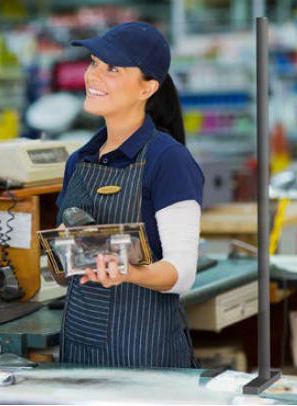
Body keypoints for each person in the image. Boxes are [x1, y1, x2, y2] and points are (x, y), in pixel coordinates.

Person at [56, 21, 204, 368]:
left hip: (144, 354)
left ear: (147, 88)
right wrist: (63, 253)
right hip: (78, 350)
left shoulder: (168, 160)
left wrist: (130, 272)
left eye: (113, 69)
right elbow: (64, 274)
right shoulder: (79, 160)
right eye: (93, 62)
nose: (93, 76)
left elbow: (181, 274)